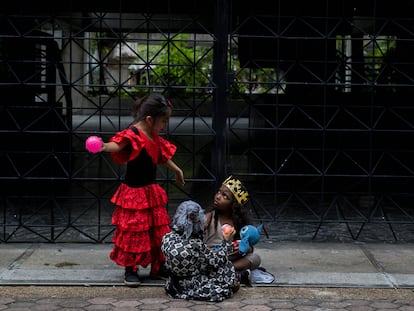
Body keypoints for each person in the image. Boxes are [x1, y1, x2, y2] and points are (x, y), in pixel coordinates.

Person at [87, 93, 185, 287]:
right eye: (163, 121)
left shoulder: (154, 136)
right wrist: (103, 146)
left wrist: (176, 169)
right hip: (134, 193)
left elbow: (160, 156)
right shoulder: (133, 134)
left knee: (158, 231)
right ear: (149, 119)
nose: (165, 125)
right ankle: (130, 269)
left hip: (150, 191)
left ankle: (159, 266)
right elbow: (117, 145)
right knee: (134, 232)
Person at [161, 200, 240, 302]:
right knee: (226, 266)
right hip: (191, 285)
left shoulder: (167, 237)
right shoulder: (196, 244)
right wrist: (226, 242)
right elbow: (217, 260)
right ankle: (235, 280)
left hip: (172, 285)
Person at [204, 175, 261, 285]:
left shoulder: (238, 224)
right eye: (219, 192)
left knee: (255, 258)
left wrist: (245, 248)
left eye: (225, 196)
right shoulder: (210, 216)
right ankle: (232, 273)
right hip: (210, 257)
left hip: (229, 258)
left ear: (233, 206)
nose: (218, 196)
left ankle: (224, 270)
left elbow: (246, 246)